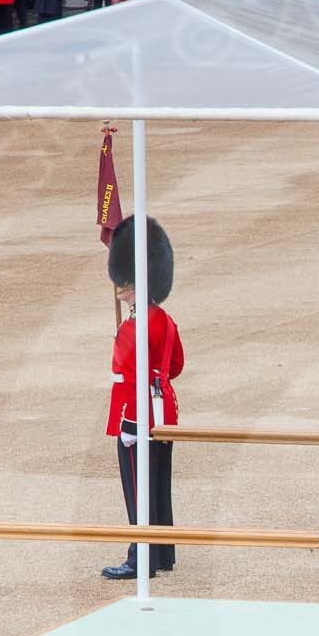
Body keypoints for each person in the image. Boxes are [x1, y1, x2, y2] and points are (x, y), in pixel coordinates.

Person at [101, 218, 184, 583]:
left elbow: (127, 373)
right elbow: (176, 365)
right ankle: (164, 552)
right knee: (158, 483)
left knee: (138, 486)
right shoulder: (164, 320)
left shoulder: (135, 327)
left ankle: (142, 557)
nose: (120, 288)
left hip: (135, 414)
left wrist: (131, 423)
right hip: (163, 409)